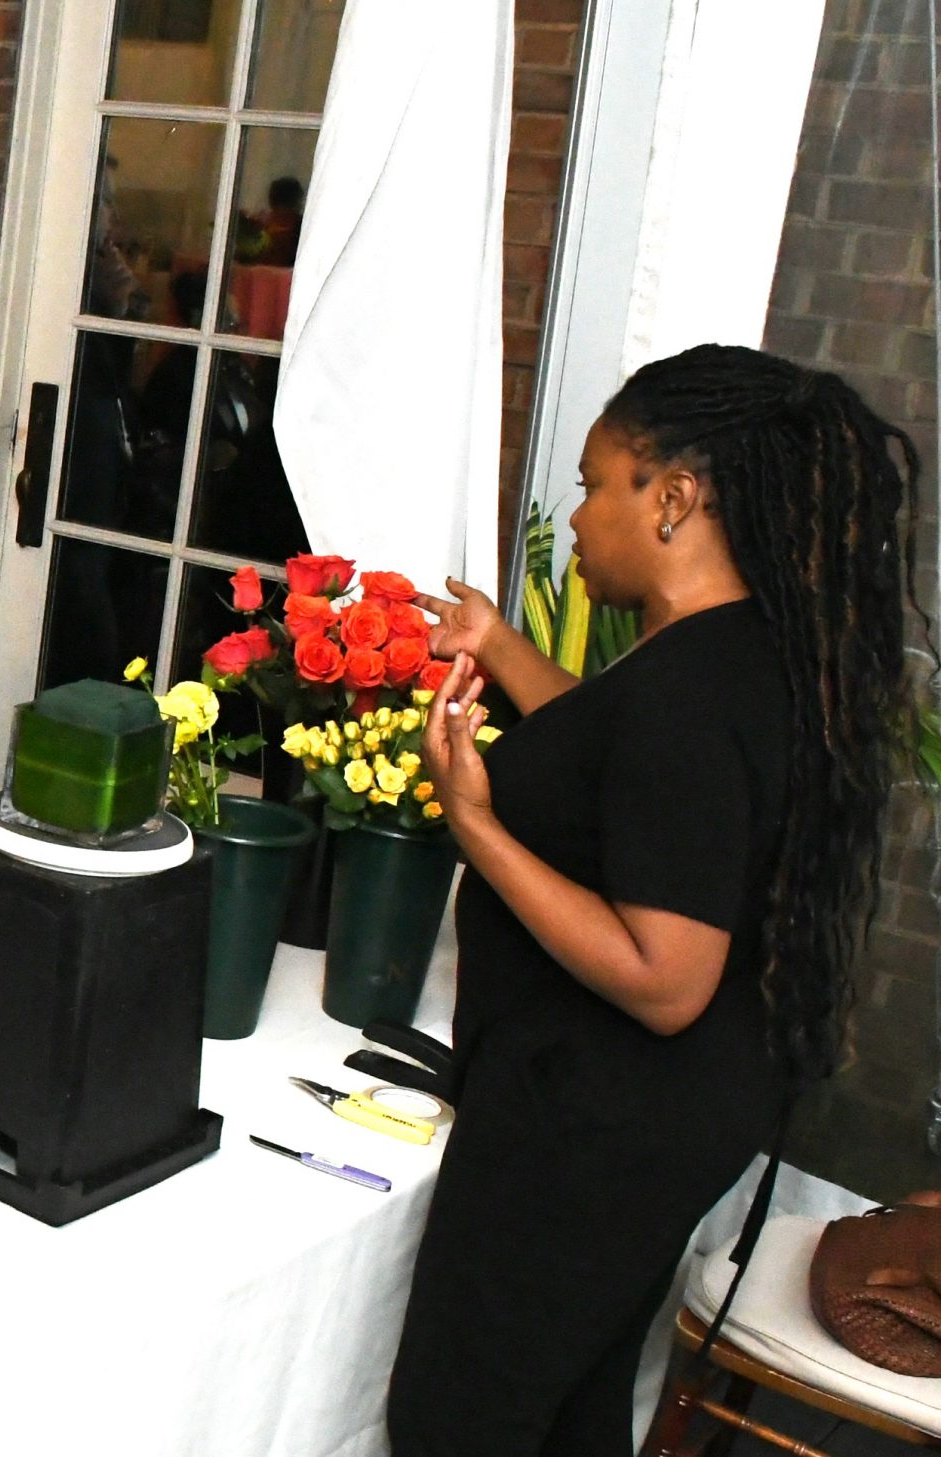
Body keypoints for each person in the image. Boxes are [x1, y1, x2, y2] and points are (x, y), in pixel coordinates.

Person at [385, 345, 917, 1457]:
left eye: (593, 482)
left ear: (671, 497)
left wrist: (473, 822)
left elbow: (665, 979)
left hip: (597, 1126)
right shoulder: (740, 657)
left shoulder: (686, 693)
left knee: (461, 1419)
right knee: (571, 1404)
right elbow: (626, 771)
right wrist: (501, 646)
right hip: (671, 1114)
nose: (576, 517)